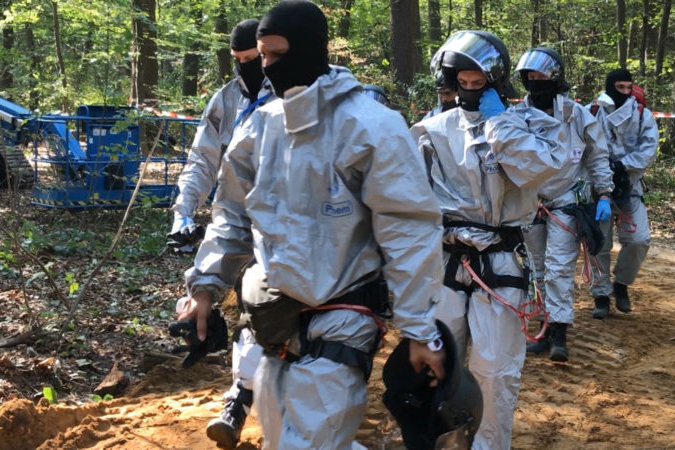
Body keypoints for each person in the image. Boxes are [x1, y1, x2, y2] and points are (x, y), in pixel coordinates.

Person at [178, 2, 447, 449]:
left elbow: (410, 231)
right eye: (261, 56)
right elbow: (231, 215)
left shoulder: (371, 126)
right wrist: (204, 287)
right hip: (271, 318)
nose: (266, 68)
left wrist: (419, 328)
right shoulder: (259, 128)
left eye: (276, 55)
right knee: (283, 437)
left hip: (345, 314)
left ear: (310, 50)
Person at [411, 30, 565, 449]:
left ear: (495, 77)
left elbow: (537, 171)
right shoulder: (431, 130)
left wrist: (500, 123)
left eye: (479, 77)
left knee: (494, 370)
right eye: (462, 77)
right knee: (434, 362)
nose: (470, 84)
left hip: (500, 262)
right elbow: (407, 198)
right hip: (444, 259)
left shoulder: (531, 125)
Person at [510, 47, 613, 362]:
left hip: (567, 199)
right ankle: (543, 329)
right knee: (536, 269)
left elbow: (597, 154)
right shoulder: (515, 117)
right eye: (531, 75)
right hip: (528, 202)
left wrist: (604, 192)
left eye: (541, 75)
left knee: (558, 268)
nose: (535, 80)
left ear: (555, 77)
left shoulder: (576, 114)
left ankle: (559, 334)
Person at [168, 19, 272, 254]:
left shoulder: (288, 94)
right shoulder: (224, 101)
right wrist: (183, 212)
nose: (244, 65)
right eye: (237, 60)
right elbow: (202, 159)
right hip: (237, 221)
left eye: (251, 58)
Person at [588, 68, 659, 318]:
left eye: (629, 88)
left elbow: (648, 148)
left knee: (639, 239)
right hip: (597, 188)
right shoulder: (591, 111)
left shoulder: (642, 114)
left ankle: (621, 284)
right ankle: (600, 295)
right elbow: (579, 146)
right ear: (610, 86)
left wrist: (622, 165)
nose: (625, 93)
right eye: (620, 88)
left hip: (630, 187)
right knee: (598, 244)